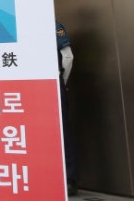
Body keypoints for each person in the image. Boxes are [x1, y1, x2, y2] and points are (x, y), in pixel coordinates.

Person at [56, 21, 79, 196]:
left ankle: (69, 178)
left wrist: (62, 82)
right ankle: (67, 180)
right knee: (61, 130)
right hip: (52, 82)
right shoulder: (51, 23)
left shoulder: (52, 24)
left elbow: (68, 57)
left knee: (61, 130)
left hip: (45, 83)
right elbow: (68, 57)